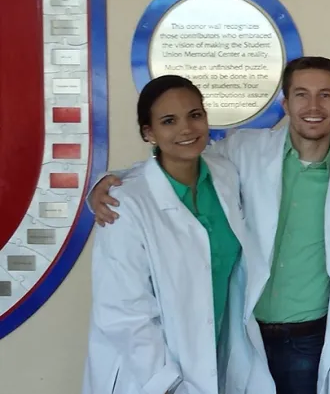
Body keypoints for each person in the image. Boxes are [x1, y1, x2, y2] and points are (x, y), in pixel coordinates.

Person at [85, 57, 330, 394]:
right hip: (242, 333)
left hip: (304, 339)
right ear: (285, 103)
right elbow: (174, 164)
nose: (313, 106)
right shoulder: (243, 151)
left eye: (325, 95)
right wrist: (110, 184)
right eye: (301, 94)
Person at [81, 75, 258, 394]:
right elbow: (123, 314)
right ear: (149, 132)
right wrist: (168, 384)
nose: (186, 129)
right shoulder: (125, 205)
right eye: (168, 121)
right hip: (146, 377)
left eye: (195, 115)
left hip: (212, 362)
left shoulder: (224, 176)